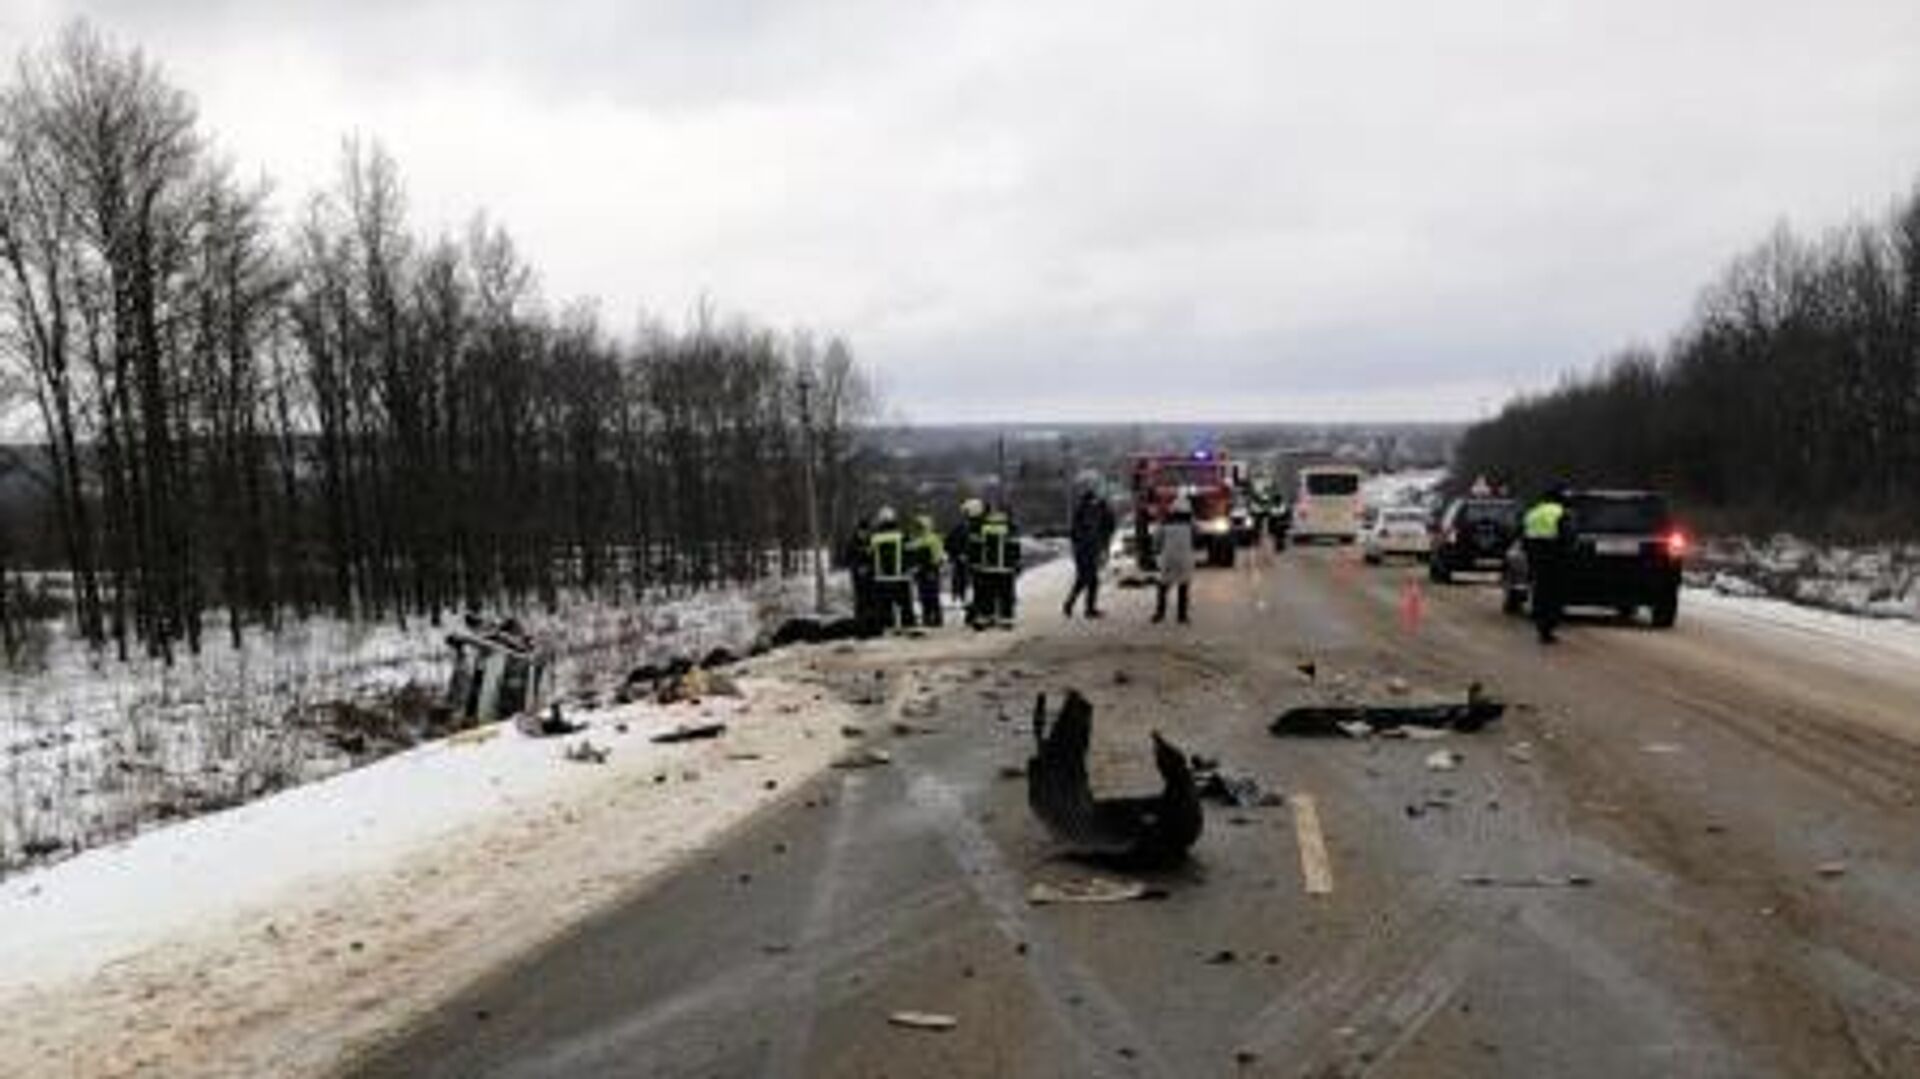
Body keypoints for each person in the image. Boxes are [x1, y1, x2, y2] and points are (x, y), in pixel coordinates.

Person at [1522, 486, 1573, 644]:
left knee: (1540, 590)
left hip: (1536, 558)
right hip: (1555, 557)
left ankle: (1540, 624)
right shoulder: (1560, 512)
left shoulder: (1533, 512)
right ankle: (1548, 627)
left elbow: (1522, 534)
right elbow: (1568, 536)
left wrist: (1529, 554)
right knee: (1554, 593)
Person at [1063, 486, 1116, 618]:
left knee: (1083, 580)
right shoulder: (1088, 513)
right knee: (1090, 581)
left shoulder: (1082, 512)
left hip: (1082, 552)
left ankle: (1072, 605)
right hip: (1087, 551)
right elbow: (1107, 524)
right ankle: (1087, 609)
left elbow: (1107, 524)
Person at [968, 505, 1021, 629]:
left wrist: (973, 563)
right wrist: (1016, 563)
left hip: (986, 567)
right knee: (1006, 593)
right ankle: (1006, 619)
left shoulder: (981, 526)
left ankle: (987, 617)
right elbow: (1014, 546)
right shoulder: (1010, 526)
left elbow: (975, 546)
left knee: (987, 593)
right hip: (1006, 567)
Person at [868, 506, 917, 631]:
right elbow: (910, 552)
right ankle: (908, 624)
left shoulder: (874, 537)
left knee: (884, 606)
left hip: (881, 577)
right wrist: (911, 567)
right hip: (900, 576)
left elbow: (870, 555)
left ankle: (887, 625)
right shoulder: (902, 535)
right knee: (905, 605)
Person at [1154, 494, 1196, 624]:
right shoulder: (1190, 524)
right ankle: (1181, 616)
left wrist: (1157, 550)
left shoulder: (1165, 522)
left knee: (1163, 586)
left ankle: (1160, 614)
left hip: (1168, 557)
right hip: (1184, 558)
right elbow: (1196, 538)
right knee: (1183, 586)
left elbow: (1157, 538)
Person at [906, 513, 946, 628]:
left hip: (930, 569)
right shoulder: (919, 538)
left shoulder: (932, 538)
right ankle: (927, 617)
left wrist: (934, 567)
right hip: (922, 570)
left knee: (932, 595)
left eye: (919, 526)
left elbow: (938, 555)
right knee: (924, 595)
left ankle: (936, 618)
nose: (917, 528)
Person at [947, 498, 984, 607]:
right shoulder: (966, 527)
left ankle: (968, 603)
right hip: (968, 564)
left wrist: (956, 555)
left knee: (971, 586)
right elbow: (950, 542)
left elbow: (950, 542)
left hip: (972, 564)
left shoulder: (968, 527)